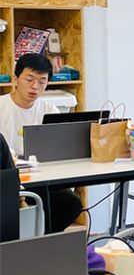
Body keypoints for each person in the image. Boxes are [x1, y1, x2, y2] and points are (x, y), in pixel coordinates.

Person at [0, 54, 82, 232]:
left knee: (71, 202)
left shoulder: (49, 110)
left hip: (40, 177)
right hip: (7, 181)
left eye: (42, 81)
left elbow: (57, 149)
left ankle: (39, 240)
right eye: (29, 79)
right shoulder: (2, 107)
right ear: (16, 78)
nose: (35, 87)